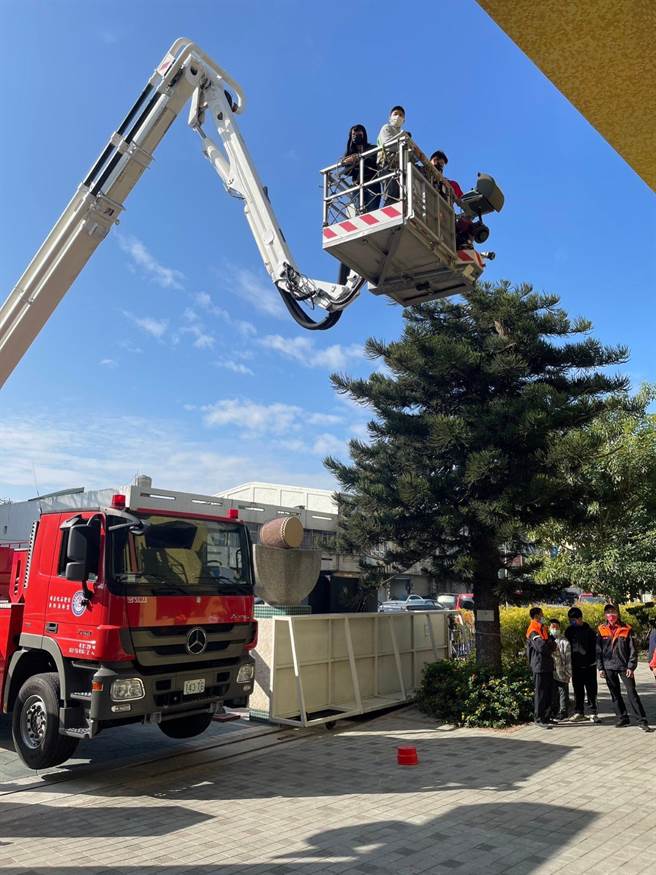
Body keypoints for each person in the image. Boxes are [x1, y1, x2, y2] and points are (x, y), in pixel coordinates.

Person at [597, 603, 652, 732]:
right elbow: (598, 650)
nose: (611, 615)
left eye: (613, 612)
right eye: (608, 612)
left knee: (632, 693)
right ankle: (622, 718)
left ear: (617, 613)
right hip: (608, 666)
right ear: (605, 615)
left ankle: (642, 721)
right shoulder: (601, 629)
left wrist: (631, 667)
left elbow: (633, 650)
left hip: (624, 666)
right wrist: (600, 668)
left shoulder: (626, 628)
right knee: (615, 694)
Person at [565, 607, 600, 723]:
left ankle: (593, 712)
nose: (572, 622)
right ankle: (579, 712)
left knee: (591, 690)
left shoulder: (589, 631)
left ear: (580, 618)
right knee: (578, 690)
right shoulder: (569, 631)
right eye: (570, 620)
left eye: (573, 620)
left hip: (589, 665)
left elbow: (596, 648)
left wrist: (595, 662)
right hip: (576, 666)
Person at [526, 607, 557, 728]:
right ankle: (539, 719)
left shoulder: (543, 628)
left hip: (547, 665)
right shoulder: (533, 629)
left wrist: (549, 643)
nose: (543, 616)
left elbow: (553, 645)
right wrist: (549, 644)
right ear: (536, 616)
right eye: (541, 614)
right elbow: (541, 647)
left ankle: (547, 717)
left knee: (549, 692)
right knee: (540, 693)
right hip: (539, 665)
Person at [342, 124, 380, 214]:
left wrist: (359, 159)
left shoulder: (372, 149)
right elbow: (347, 171)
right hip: (357, 186)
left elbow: (374, 162)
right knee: (359, 213)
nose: (356, 136)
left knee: (372, 211)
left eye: (359, 133)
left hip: (372, 183)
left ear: (364, 134)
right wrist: (348, 161)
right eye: (353, 134)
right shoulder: (350, 154)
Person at [377, 105, 406, 204]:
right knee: (391, 193)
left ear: (404, 120)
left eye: (401, 115)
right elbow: (388, 145)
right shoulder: (386, 128)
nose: (398, 117)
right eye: (395, 114)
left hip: (399, 166)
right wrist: (404, 146)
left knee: (400, 195)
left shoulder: (402, 133)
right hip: (386, 164)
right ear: (390, 117)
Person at [548, 619, 572, 720]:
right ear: (549, 628)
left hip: (562, 671)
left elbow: (568, 658)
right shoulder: (547, 639)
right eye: (552, 627)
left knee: (563, 692)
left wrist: (568, 672)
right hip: (550, 671)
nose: (555, 629)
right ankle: (554, 711)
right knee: (553, 692)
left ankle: (563, 711)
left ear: (559, 628)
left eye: (556, 627)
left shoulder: (564, 641)